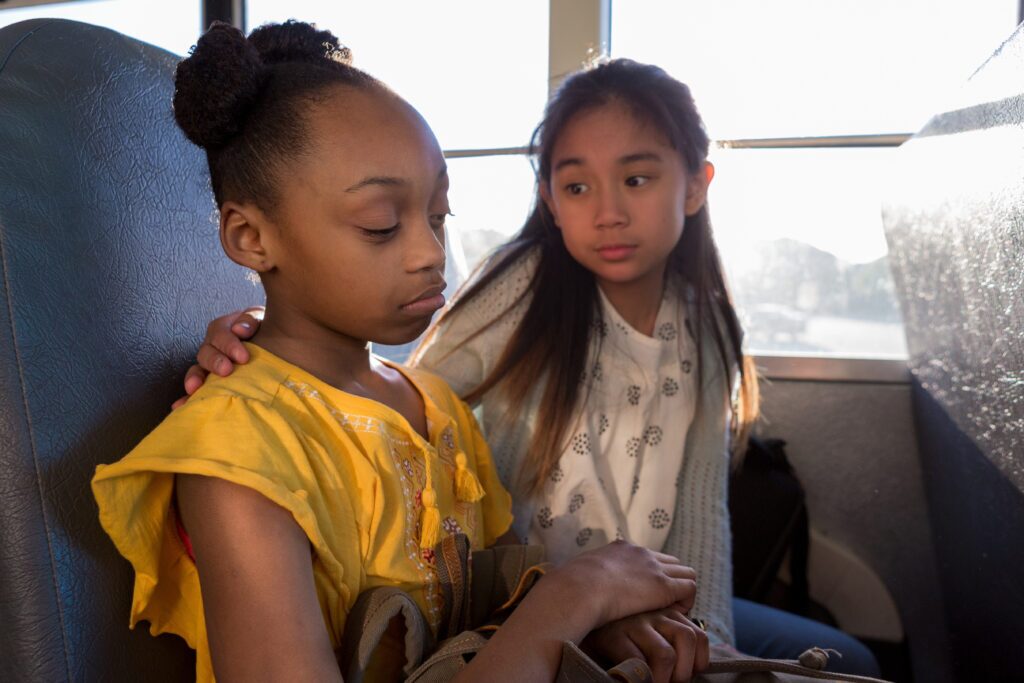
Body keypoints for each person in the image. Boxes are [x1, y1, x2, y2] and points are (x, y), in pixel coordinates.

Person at [182, 57, 880, 676]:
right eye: (381, 225)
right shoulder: (520, 291)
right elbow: (367, 392)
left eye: (637, 178)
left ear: (696, 185)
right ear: (549, 199)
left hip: (600, 606)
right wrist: (265, 336)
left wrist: (702, 640)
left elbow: (702, 519)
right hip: (543, 607)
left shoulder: (705, 329)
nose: (608, 212)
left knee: (848, 660)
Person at [92, 22, 710, 683]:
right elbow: (544, 612)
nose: (430, 253)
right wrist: (577, 595)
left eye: (438, 216)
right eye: (381, 226)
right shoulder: (237, 454)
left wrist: (600, 618)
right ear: (251, 237)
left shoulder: (436, 407)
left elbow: (504, 603)